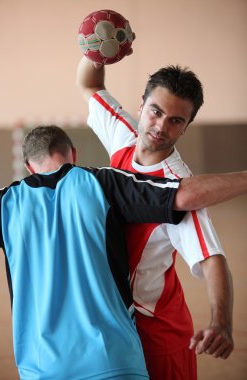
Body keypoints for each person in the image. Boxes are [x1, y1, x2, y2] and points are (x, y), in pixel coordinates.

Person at [77, 56, 244, 380]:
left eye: (176, 120)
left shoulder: (179, 188)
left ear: (186, 126)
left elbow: (212, 259)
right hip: (114, 322)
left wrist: (220, 322)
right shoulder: (124, 134)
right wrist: (94, 53)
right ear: (141, 105)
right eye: (156, 111)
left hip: (158, 332)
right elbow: (90, 84)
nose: (160, 126)